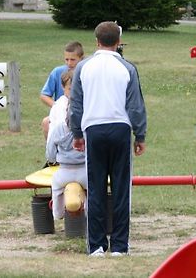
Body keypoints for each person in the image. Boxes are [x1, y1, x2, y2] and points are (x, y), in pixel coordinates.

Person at [69, 21, 147, 257]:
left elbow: (76, 104)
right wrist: (140, 134)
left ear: (96, 41)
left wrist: (76, 133)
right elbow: (135, 106)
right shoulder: (127, 68)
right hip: (120, 129)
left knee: (96, 188)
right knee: (122, 189)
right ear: (119, 42)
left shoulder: (83, 67)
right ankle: (120, 246)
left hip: (93, 129)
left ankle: (97, 245)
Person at [45, 69, 87, 219]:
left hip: (64, 170)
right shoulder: (86, 126)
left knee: (56, 187)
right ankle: (90, 212)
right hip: (84, 169)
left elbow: (50, 146)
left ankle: (57, 213)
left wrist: (51, 160)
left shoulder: (58, 125)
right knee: (93, 189)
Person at [40, 41, 84, 139]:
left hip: (81, 112)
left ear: (81, 58)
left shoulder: (86, 72)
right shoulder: (58, 72)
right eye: (66, 59)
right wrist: (58, 106)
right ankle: (52, 150)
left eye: (73, 60)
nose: (69, 63)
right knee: (46, 122)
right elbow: (44, 95)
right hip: (62, 113)